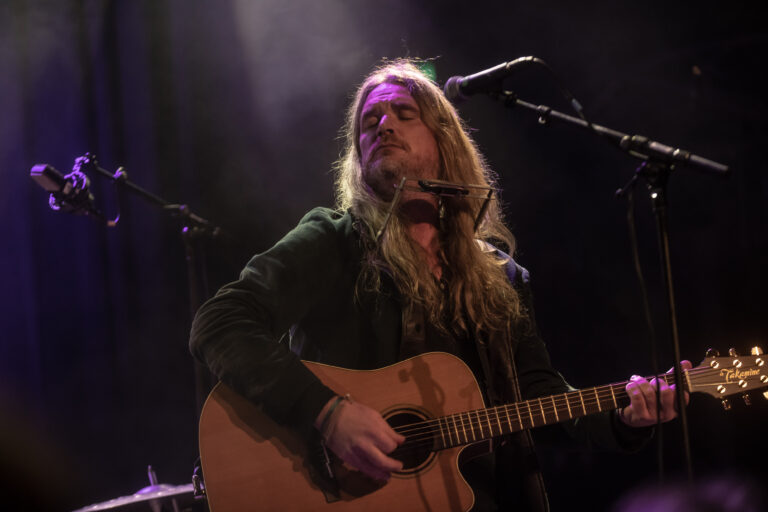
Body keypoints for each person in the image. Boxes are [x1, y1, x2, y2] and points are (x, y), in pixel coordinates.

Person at [189, 60, 690, 511]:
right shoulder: (335, 240)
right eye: (369, 122)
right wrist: (327, 412)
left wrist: (625, 417)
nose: (383, 124)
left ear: (445, 138)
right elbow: (220, 322)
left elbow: (538, 397)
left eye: (404, 113)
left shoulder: (501, 276)